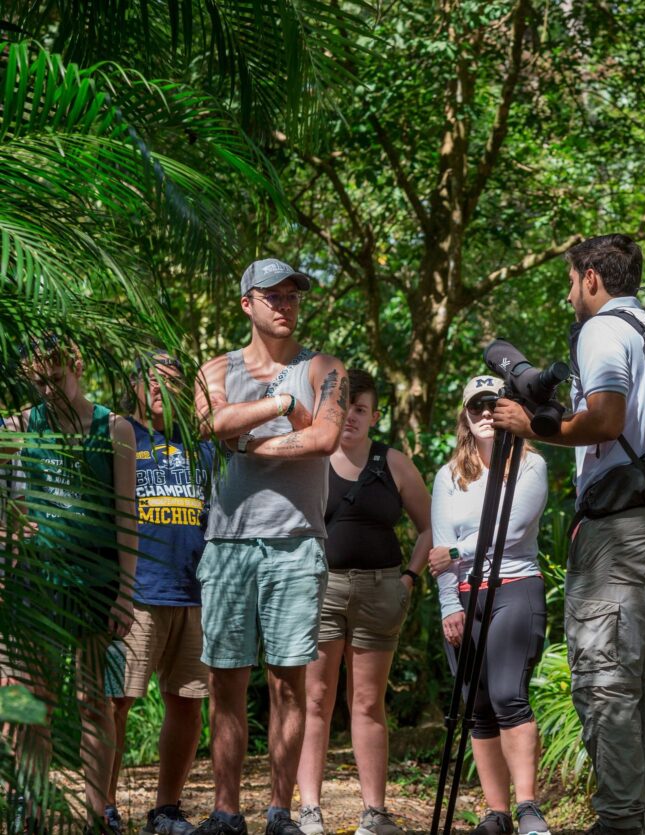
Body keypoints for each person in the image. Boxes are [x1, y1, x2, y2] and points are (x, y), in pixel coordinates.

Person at [492, 234, 645, 835]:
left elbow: (605, 417)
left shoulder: (602, 330)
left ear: (592, 278)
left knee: (605, 677)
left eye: (572, 281)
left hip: (624, 530)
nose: (571, 293)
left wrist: (532, 427)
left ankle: (622, 819)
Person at [192, 259, 348, 835]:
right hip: (228, 541)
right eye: (272, 295)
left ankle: (280, 812)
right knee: (225, 679)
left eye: (293, 295)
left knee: (288, 680)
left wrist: (251, 444)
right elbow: (210, 421)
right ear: (246, 305)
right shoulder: (217, 367)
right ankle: (226, 812)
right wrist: (283, 409)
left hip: (296, 541)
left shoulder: (325, 368)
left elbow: (326, 437)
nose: (285, 304)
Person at [0, 337, 138, 835]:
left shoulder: (114, 427)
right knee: (22, 699)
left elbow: (128, 516)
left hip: (96, 584)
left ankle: (97, 811)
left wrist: (126, 591)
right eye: (37, 383)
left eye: (55, 380)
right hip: (31, 584)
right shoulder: (17, 426)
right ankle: (27, 804)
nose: (47, 391)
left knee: (94, 704)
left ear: (77, 366)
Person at [295, 370, 432, 835]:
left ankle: (374, 813)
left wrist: (409, 579)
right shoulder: (312, 456)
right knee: (315, 699)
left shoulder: (393, 462)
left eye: (359, 408)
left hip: (381, 590)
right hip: (321, 590)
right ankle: (309, 810)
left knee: (368, 703)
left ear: (375, 415)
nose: (349, 416)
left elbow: (430, 527)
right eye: (343, 406)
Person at [429, 374, 550, 835]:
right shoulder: (448, 475)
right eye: (476, 406)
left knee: (507, 695)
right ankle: (496, 813)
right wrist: (447, 607)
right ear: (465, 414)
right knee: (476, 705)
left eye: (493, 405)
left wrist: (459, 551)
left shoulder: (529, 465)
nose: (485, 414)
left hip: (514, 587)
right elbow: (439, 549)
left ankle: (527, 808)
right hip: (463, 596)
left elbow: (512, 528)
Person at [105, 354, 214, 835]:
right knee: (116, 701)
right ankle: (101, 804)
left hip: (195, 592)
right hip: (136, 593)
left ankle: (165, 810)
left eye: (170, 381)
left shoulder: (204, 447)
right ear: (135, 387)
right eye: (150, 379)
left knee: (187, 702)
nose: (158, 388)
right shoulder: (119, 435)